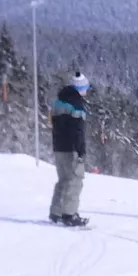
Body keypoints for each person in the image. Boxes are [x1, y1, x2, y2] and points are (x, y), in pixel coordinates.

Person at [49, 72, 90, 227]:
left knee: (63, 180)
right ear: (81, 88)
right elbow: (77, 131)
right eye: (85, 88)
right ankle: (69, 214)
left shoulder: (58, 103)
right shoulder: (76, 106)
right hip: (72, 149)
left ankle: (56, 212)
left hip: (58, 146)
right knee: (75, 181)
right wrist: (81, 151)